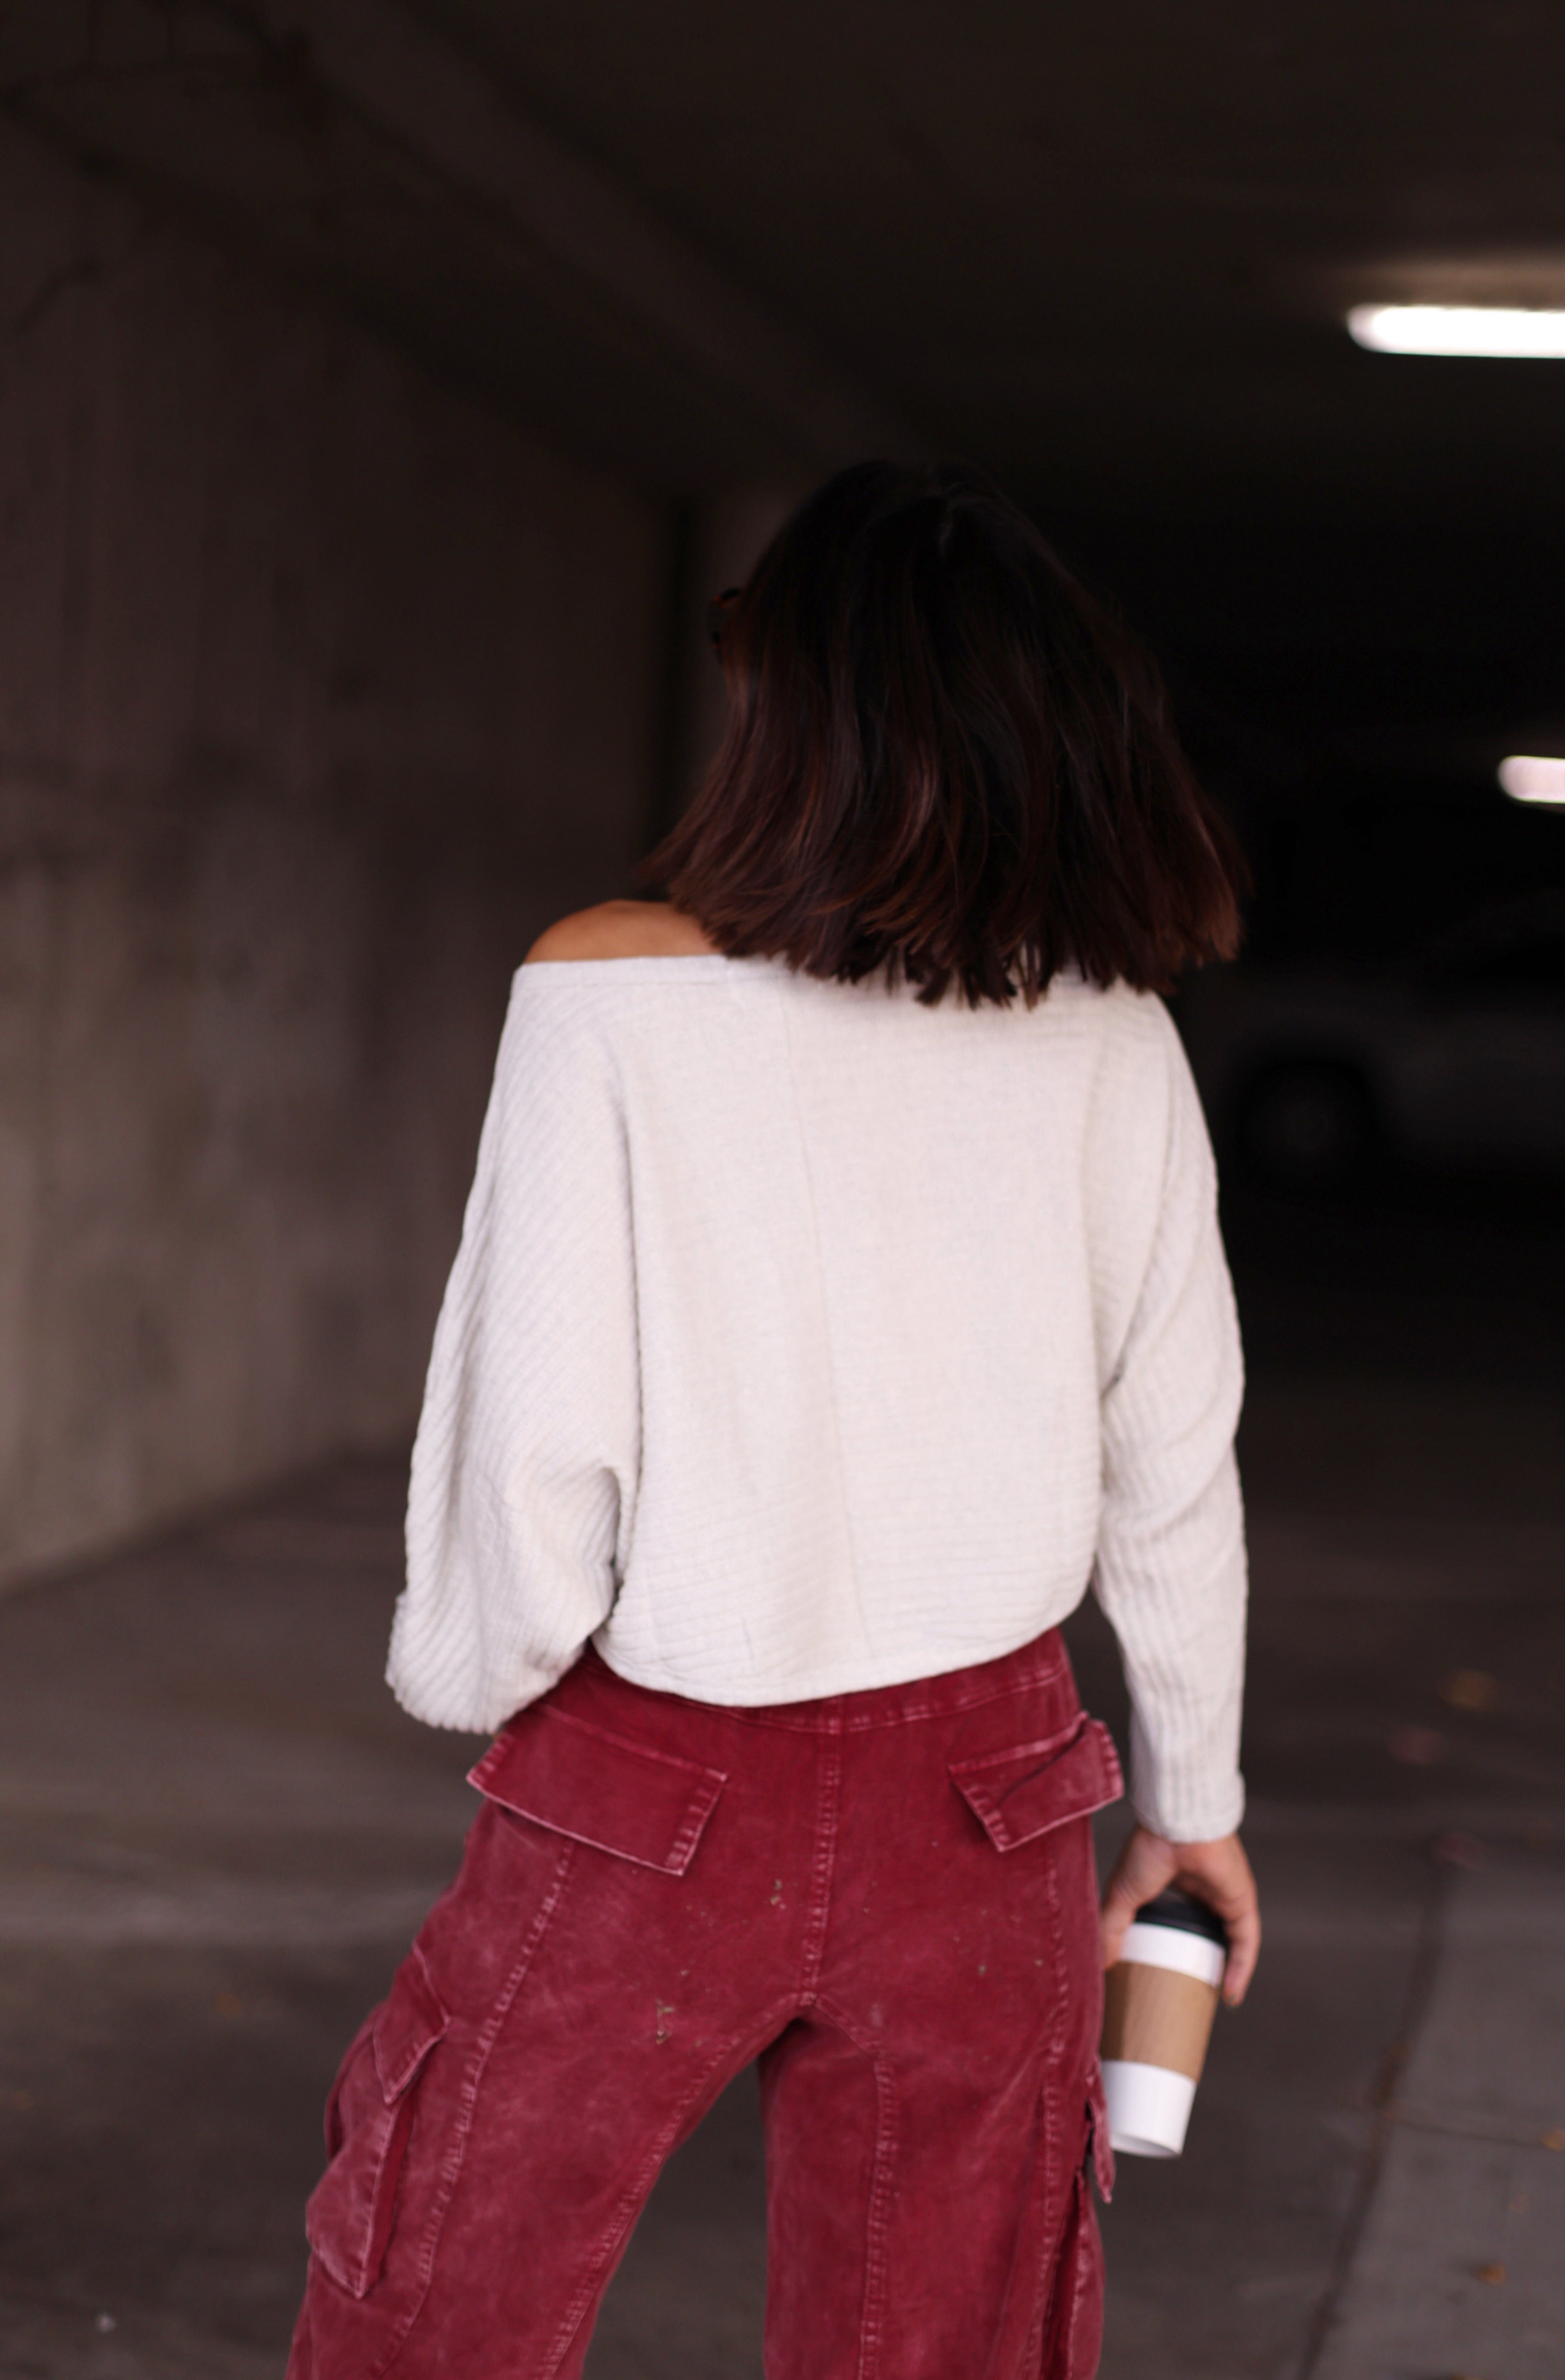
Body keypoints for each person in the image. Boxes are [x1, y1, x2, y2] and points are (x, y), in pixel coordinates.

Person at [286, 461, 1261, 2380]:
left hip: (656, 1777)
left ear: (796, 703)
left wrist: (498, 1678)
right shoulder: (1113, 1036)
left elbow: (535, 1430)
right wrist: (1192, 1809)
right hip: (988, 1794)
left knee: (437, 2290)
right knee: (947, 2338)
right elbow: (1173, 1451)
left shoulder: (609, 993)